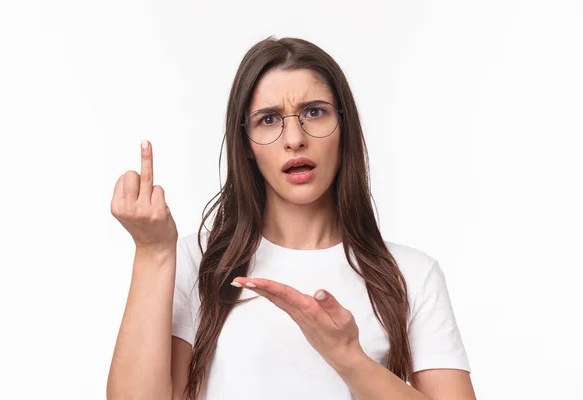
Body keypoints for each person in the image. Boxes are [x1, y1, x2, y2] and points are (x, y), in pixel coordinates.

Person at [107, 37, 476, 400]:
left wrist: (348, 357)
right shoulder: (198, 263)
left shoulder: (411, 274)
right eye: (268, 119)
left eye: (314, 112)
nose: (295, 138)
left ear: (344, 126)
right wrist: (153, 251)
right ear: (247, 145)